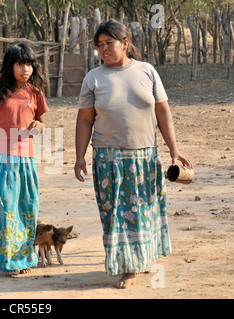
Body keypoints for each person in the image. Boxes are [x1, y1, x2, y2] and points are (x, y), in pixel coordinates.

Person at [74, 20, 193, 289]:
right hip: (109, 159)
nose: (104, 48)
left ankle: (141, 258)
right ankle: (129, 268)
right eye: (99, 45)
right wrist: (80, 156)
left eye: (109, 43)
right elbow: (84, 120)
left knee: (143, 212)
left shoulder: (147, 71)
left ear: (125, 43)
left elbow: (163, 112)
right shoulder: (93, 78)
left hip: (145, 157)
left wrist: (174, 150)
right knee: (117, 214)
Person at [0, 43, 48, 276]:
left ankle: (24, 257)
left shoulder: (36, 92)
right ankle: (8, 261)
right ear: (10, 66)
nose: (25, 69)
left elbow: (41, 121)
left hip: (26, 160)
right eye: (20, 64)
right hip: (1, 159)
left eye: (29, 64)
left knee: (28, 208)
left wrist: (38, 125)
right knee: (6, 209)